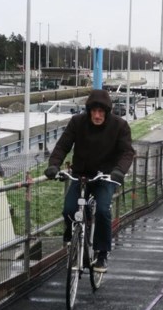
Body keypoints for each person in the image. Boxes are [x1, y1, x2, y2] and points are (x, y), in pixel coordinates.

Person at [44, 89, 135, 273]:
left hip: (105, 176)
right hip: (82, 174)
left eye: (101, 112)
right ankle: (71, 234)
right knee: (69, 209)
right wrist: (54, 165)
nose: (97, 115)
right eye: (94, 111)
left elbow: (127, 152)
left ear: (107, 112)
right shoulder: (77, 123)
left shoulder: (120, 126)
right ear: (88, 111)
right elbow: (63, 146)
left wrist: (119, 171)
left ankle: (102, 254)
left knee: (102, 210)